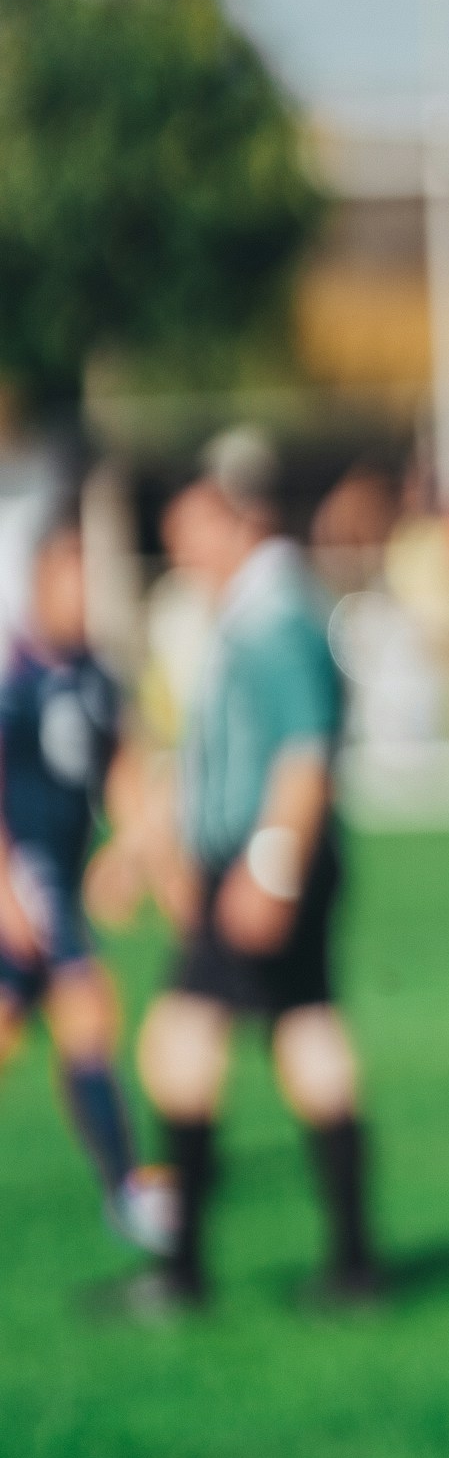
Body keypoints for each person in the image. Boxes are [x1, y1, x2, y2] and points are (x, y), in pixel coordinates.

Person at [131, 429, 382, 1310]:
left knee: (178, 1041)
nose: (182, 550)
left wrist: (268, 868)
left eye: (195, 529)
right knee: (305, 1031)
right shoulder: (263, 606)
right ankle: (352, 1267)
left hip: (265, 866)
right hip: (266, 863)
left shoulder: (274, 615)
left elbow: (305, 755)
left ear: (242, 522)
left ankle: (181, 1271)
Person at [0, 512, 175, 1255]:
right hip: (20, 882)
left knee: (89, 1025)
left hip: (60, 887)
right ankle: (129, 1189)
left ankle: (126, 1188)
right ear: (40, 580)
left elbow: (128, 772)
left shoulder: (100, 675)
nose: (83, 593)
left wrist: (133, 854)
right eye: (70, 575)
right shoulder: (14, 674)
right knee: (78, 1015)